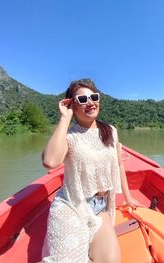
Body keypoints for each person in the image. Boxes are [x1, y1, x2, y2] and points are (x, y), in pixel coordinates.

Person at [41, 79, 140, 263]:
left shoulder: (110, 131)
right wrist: (65, 118)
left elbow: (119, 165)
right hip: (72, 204)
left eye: (94, 97)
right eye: (82, 99)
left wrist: (127, 197)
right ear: (72, 104)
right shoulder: (70, 136)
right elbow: (50, 161)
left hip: (100, 207)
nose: (90, 102)